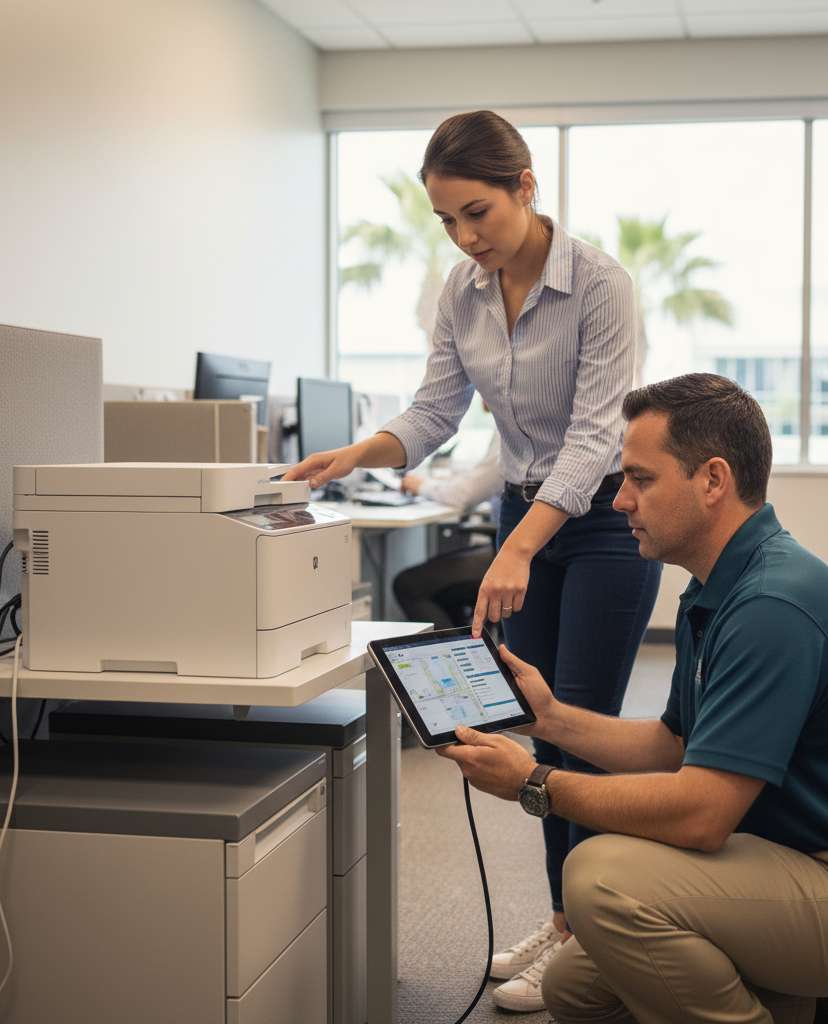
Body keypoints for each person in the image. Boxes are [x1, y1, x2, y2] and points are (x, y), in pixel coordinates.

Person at [283, 109, 662, 1010]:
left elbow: (592, 436)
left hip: (606, 519)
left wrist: (519, 549)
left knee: (585, 730)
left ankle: (590, 934)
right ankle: (570, 920)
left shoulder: (600, 284)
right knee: (535, 723)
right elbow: (435, 412)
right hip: (524, 509)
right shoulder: (464, 291)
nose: (465, 237)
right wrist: (358, 453)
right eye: (448, 220)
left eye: (478, 213)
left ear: (527, 189)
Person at [438, 373, 828, 1024]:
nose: (619, 500)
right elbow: (672, 745)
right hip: (790, 858)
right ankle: (796, 998)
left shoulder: (771, 604)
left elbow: (703, 814)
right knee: (574, 989)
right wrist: (553, 719)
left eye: (640, 479)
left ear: (712, 480)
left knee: (599, 878)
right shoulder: (716, 585)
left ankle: (808, 991)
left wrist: (534, 782)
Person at [393, 430, 502, 630]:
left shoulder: (511, 424)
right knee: (435, 568)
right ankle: (462, 649)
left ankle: (453, 655)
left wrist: (421, 486)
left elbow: (468, 493)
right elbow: (482, 484)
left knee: (408, 584)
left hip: (508, 554)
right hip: (502, 544)